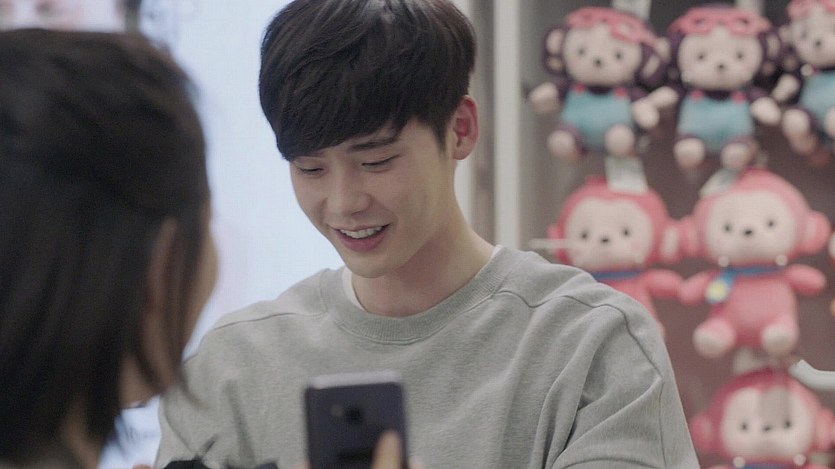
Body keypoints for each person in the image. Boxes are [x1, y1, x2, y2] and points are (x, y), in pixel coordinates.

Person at [157, 0, 700, 468]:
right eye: (310, 169)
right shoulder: (232, 367)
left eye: (376, 160)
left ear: (460, 129)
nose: (343, 203)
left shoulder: (590, 344)